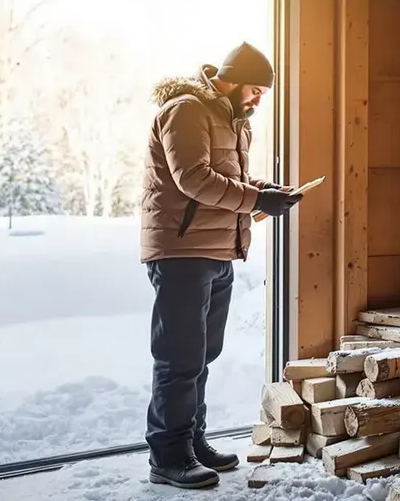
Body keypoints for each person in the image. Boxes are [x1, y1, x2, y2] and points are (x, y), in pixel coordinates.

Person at [139, 42, 300, 489]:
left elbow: (230, 182)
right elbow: (192, 178)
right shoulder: (186, 110)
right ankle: (168, 455)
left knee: (202, 355)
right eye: (255, 89)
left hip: (217, 251)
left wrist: (267, 192)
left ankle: (192, 440)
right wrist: (254, 199)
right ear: (230, 79)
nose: (258, 99)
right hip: (181, 253)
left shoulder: (232, 121)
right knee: (179, 358)